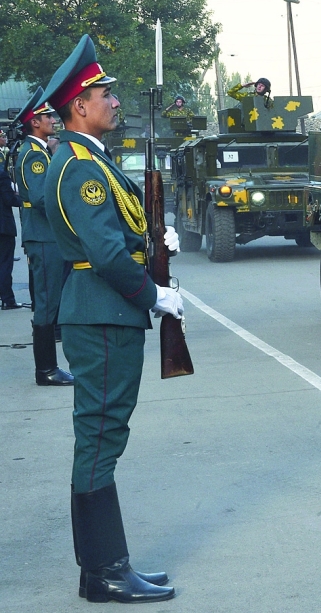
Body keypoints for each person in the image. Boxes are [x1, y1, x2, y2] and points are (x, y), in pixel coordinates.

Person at [41, 34, 182, 604]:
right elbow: (101, 252)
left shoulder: (89, 159)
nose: (115, 103)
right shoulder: (79, 167)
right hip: (102, 314)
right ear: (80, 105)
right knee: (99, 439)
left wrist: (153, 243)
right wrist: (153, 294)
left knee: (104, 435)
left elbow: (115, 233)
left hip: (105, 313)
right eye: (105, 94)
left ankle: (108, 563)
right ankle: (102, 572)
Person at [12, 87, 74, 383]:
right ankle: (46, 369)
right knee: (47, 303)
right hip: (44, 236)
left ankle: (49, 367)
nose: (53, 119)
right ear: (34, 123)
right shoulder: (33, 155)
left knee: (51, 300)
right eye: (47, 116)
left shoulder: (39, 151)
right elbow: (40, 197)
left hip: (47, 236)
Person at [0, 158, 21, 309]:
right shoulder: (2, 174)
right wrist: (21, 198)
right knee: (5, 263)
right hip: (3, 225)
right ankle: (7, 299)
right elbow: (8, 199)